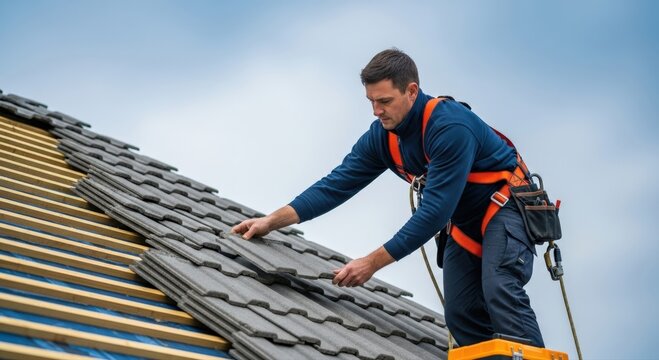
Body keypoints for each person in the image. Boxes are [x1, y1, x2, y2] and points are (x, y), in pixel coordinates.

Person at [231, 48, 544, 347]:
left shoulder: (450, 127)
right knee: (461, 314)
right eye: (371, 101)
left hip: (504, 211)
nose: (376, 110)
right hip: (464, 225)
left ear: (411, 91)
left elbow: (434, 212)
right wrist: (272, 221)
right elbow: (335, 185)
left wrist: (371, 263)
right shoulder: (383, 136)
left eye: (384, 101)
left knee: (499, 288)